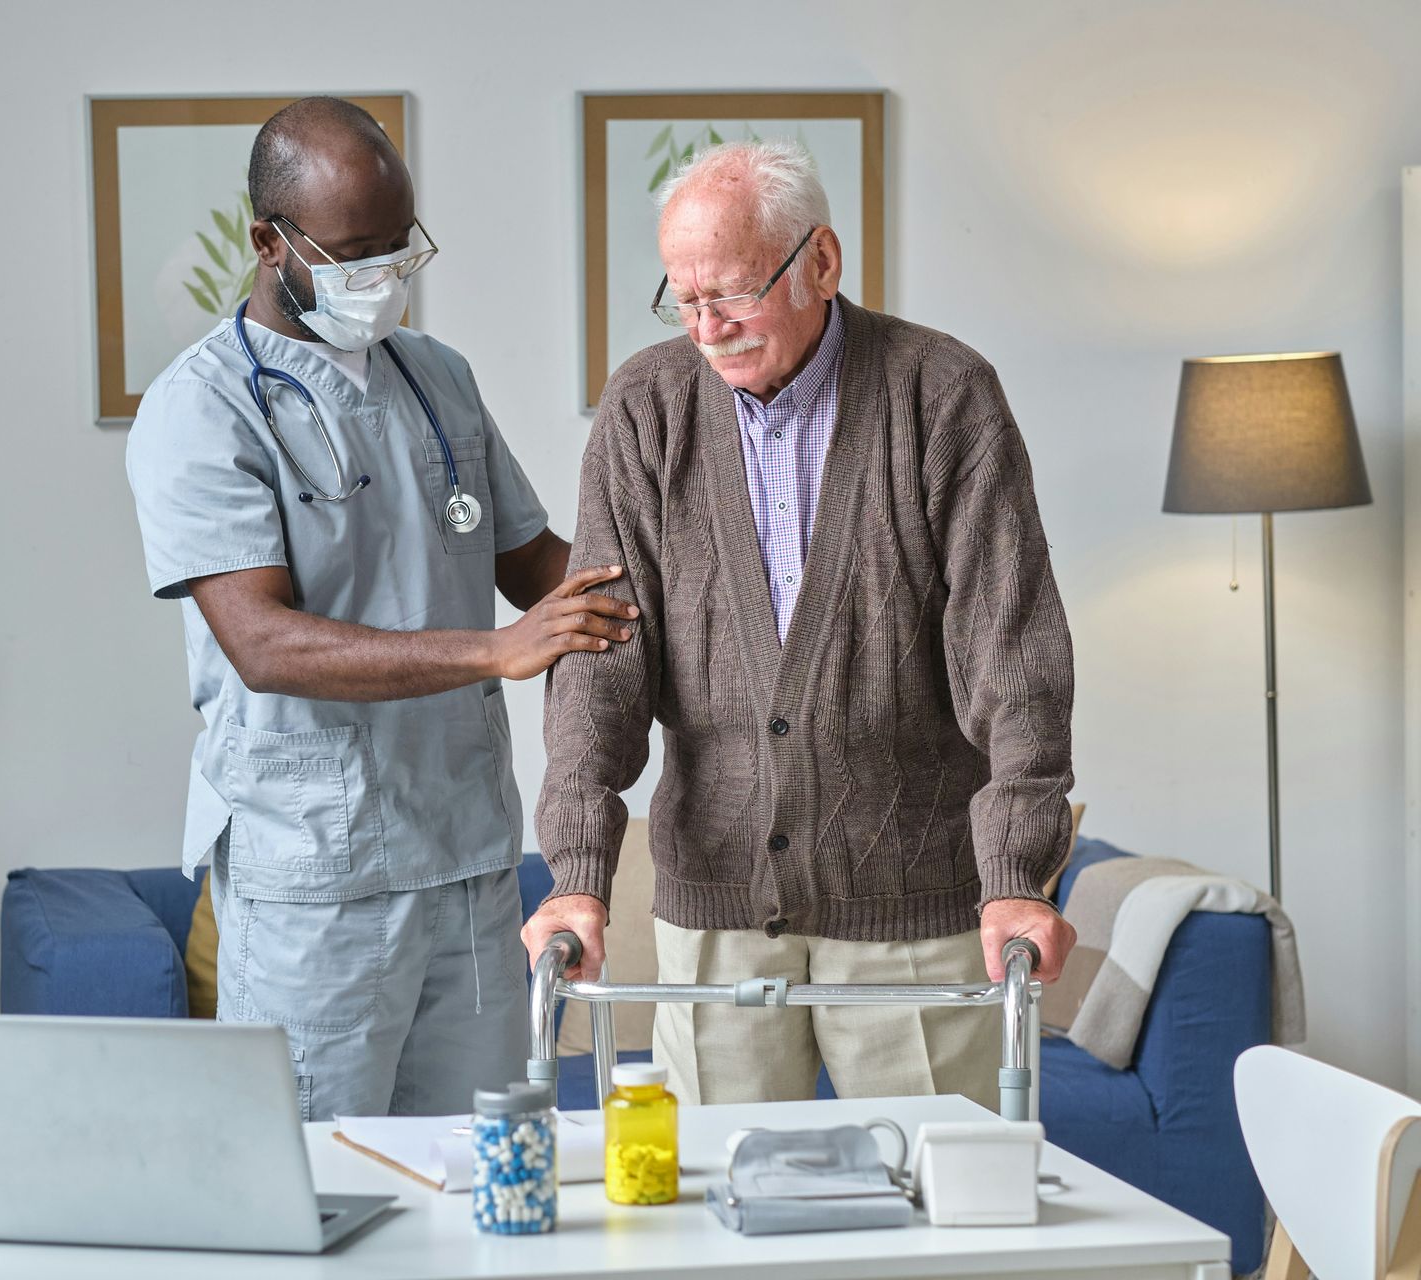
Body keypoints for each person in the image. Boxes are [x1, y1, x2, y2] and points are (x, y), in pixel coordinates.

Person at [522, 140, 1077, 1111]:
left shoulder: (941, 394)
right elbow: (602, 655)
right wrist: (578, 870)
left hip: (915, 903)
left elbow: (1013, 655)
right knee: (714, 1230)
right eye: (683, 300)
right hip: (717, 905)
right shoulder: (647, 408)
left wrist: (1018, 873)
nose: (708, 327)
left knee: (940, 1217)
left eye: (733, 293)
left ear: (820, 261)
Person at [126, 97, 635, 1121]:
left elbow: (536, 562)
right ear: (271, 241)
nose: (385, 277)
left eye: (399, 248)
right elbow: (262, 642)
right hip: (317, 874)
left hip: (466, 858)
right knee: (321, 1177)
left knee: (486, 1164)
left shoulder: (437, 378)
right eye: (356, 252)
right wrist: (497, 652)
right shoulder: (203, 406)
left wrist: (703, 598)